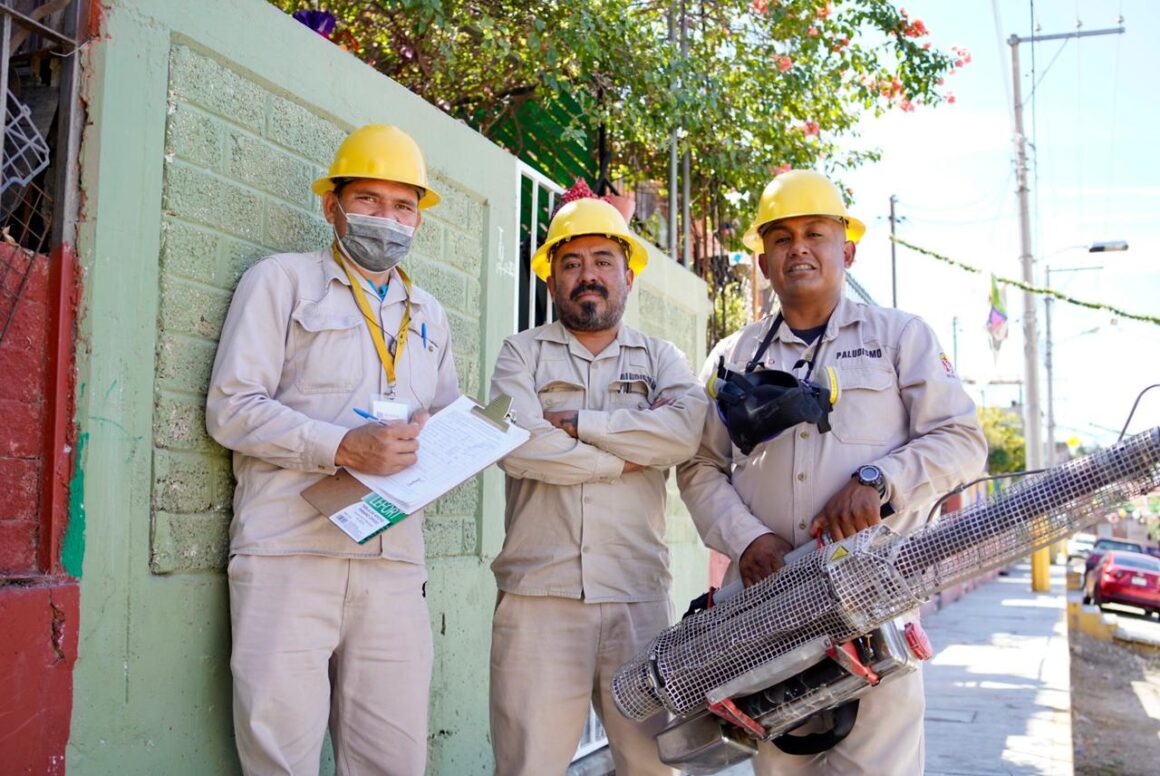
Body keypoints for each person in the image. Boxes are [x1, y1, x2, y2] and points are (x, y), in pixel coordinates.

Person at [676, 169, 987, 774]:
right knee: (780, 767)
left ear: (846, 249)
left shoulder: (900, 338)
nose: (799, 248)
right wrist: (748, 539)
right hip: (765, 615)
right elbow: (700, 465)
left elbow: (961, 439)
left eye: (815, 233)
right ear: (763, 261)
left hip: (869, 605)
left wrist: (879, 480)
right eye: (782, 237)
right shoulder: (731, 357)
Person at [206, 124, 458, 775]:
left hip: (394, 562)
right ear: (332, 206)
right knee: (280, 756)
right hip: (290, 553)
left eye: (403, 206)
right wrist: (343, 446)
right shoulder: (281, 283)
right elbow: (231, 408)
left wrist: (446, 437)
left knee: (393, 761)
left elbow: (446, 417)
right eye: (369, 200)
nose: (388, 219)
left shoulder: (427, 312)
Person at [488, 190, 709, 776]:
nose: (588, 276)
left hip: (636, 596)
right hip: (539, 596)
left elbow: (684, 435)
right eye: (571, 263)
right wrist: (622, 457)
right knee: (526, 764)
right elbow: (517, 446)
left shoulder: (663, 358)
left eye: (603, 261)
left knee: (651, 765)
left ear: (628, 275)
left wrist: (583, 423)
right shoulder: (520, 355)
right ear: (552, 280)